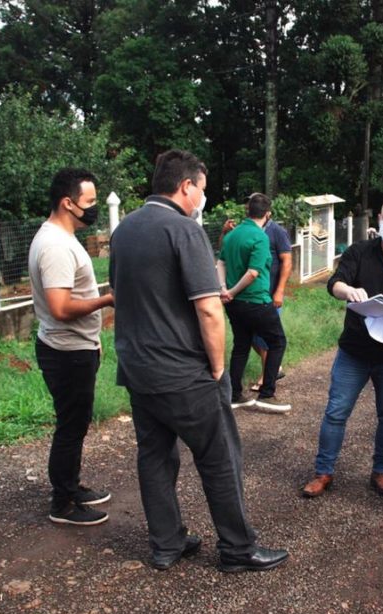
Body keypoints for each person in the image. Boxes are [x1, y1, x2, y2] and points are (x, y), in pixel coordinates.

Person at [109, 149, 288, 572]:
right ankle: (238, 549)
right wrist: (219, 368)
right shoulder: (183, 230)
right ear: (185, 186)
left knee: (154, 456)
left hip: (137, 368)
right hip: (183, 372)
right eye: (202, 190)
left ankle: (166, 544)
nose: (202, 198)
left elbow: (120, 295)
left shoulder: (124, 230)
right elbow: (209, 309)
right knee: (220, 456)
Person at [301, 197, 383, 498]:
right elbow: (335, 283)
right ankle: (323, 472)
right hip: (354, 351)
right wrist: (348, 290)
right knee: (336, 411)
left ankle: (381, 472)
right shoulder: (359, 252)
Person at [28, 167, 115, 526]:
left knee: (76, 425)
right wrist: (107, 300)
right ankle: (62, 504)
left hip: (75, 347)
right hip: (66, 352)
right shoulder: (55, 246)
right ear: (68, 202)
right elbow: (61, 308)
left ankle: (71, 485)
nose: (93, 208)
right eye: (89, 201)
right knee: (70, 426)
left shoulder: (62, 238)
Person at [216, 193, 290, 412]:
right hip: (256, 300)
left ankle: (235, 394)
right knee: (277, 342)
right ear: (267, 214)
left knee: (241, 344)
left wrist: (225, 290)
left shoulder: (232, 234)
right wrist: (233, 290)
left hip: (234, 304)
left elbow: (220, 263)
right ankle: (267, 394)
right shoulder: (260, 237)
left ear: (247, 211)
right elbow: (253, 272)